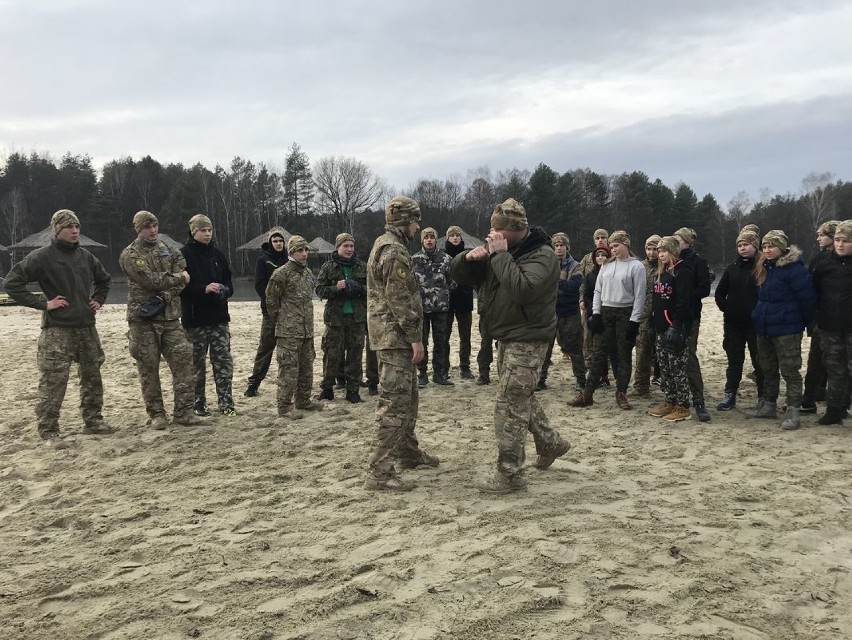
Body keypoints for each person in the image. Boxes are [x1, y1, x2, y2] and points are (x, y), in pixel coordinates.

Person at [451, 198, 570, 494]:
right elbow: (460, 277)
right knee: (520, 397)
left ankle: (511, 474)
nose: (493, 235)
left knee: (509, 405)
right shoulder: (502, 251)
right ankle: (551, 442)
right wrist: (468, 259)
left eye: (499, 231)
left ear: (517, 230)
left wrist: (500, 256)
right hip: (506, 335)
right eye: (492, 230)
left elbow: (524, 290)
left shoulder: (542, 256)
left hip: (529, 338)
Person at [5, 209, 113, 448]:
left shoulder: (86, 256)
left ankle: (93, 420)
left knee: (92, 376)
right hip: (57, 330)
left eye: (77, 227)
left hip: (86, 326)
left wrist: (99, 299)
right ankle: (49, 430)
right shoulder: (42, 257)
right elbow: (12, 283)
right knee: (53, 380)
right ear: (57, 230)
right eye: (69, 227)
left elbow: (104, 280)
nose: (75, 231)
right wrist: (43, 304)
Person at [364, 196, 440, 491]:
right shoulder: (393, 250)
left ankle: (408, 453)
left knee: (408, 399)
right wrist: (415, 338)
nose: (418, 226)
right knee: (394, 404)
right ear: (404, 221)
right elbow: (399, 299)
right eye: (414, 221)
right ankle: (379, 472)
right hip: (395, 338)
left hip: (392, 336)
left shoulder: (385, 244)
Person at [119, 210, 204, 431]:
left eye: (155, 225)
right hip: (144, 321)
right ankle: (156, 414)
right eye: (147, 227)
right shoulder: (130, 254)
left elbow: (184, 271)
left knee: (184, 361)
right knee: (149, 368)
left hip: (171, 318)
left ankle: (184, 412)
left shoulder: (168, 249)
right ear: (139, 229)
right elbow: (149, 280)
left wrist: (170, 288)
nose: (153, 230)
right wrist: (176, 279)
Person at [748, 230, 817, 429]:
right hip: (764, 327)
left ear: (782, 248)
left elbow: (808, 299)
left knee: (790, 370)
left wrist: (799, 322)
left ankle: (794, 410)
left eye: (772, 246)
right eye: (765, 247)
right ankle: (768, 404)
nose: (767, 250)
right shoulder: (764, 267)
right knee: (768, 368)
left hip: (787, 329)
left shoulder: (794, 269)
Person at [570, 231, 646, 410]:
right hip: (605, 311)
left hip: (625, 312)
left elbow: (640, 296)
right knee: (598, 354)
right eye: (611, 247)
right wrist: (596, 313)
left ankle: (621, 393)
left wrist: (634, 321)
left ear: (626, 245)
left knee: (622, 355)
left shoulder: (637, 267)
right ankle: (587, 393)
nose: (613, 249)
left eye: (616, 246)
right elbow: (597, 291)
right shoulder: (606, 266)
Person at [180, 214, 236, 417]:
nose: (207, 234)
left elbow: (230, 284)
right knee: (196, 364)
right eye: (202, 230)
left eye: (209, 230)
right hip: (195, 320)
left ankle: (226, 404)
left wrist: (224, 290)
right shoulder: (183, 255)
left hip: (219, 318)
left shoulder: (218, 255)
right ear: (193, 232)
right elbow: (180, 287)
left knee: (223, 362)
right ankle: (198, 404)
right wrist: (204, 289)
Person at [265, 235, 324, 415]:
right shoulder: (281, 274)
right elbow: (271, 301)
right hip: (288, 332)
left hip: (307, 331)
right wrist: (284, 321)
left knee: (307, 367)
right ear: (291, 252)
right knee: (289, 370)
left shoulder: (308, 274)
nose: (304, 254)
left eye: (306, 250)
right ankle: (284, 406)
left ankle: (303, 401)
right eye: (300, 250)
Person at [315, 233, 368, 404]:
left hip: (357, 318)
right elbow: (319, 290)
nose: (349, 249)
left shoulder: (362, 266)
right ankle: (327, 388)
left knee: (355, 355)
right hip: (335, 319)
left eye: (351, 246)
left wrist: (360, 289)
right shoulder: (328, 267)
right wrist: (336, 288)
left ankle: (353, 390)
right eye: (346, 246)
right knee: (332, 355)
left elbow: (374, 289)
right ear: (338, 247)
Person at [714, 230, 763, 410]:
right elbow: (719, 292)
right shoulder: (732, 268)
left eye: (746, 245)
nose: (743, 248)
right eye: (740, 245)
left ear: (755, 246)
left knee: (759, 361)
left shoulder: (762, 267)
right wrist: (726, 307)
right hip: (733, 324)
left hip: (756, 324)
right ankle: (730, 394)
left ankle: (763, 396)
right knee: (734, 361)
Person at [810, 219, 852, 425]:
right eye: (837, 240)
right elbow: (813, 291)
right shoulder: (823, 263)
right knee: (835, 368)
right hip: (829, 325)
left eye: (846, 241)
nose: (840, 244)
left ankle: (845, 404)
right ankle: (835, 410)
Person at [648, 236, 694, 422]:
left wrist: (676, 326)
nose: (661, 254)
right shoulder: (662, 273)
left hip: (676, 329)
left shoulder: (682, 272)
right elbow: (657, 301)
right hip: (660, 328)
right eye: (659, 251)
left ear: (673, 252)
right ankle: (670, 400)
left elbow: (684, 303)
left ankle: (683, 406)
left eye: (664, 251)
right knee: (665, 368)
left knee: (677, 369)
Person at [672, 227, 713, 422]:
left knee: (689, 357)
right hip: (669, 316)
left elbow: (704, 288)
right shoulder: (669, 262)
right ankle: (677, 398)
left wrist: (685, 296)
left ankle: (698, 400)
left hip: (690, 316)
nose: (675, 243)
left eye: (678, 240)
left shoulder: (697, 262)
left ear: (687, 242)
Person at [537, 232, 585, 391]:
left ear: (567, 247)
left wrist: (555, 284)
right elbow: (541, 284)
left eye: (561, 245)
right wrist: (562, 282)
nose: (558, 248)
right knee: (545, 348)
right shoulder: (546, 264)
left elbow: (574, 286)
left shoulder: (575, 265)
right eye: (556, 246)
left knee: (574, 347)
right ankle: (540, 380)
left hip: (570, 312)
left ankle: (580, 379)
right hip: (549, 312)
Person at [801, 220, 839, 414]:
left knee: (836, 363)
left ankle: (837, 401)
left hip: (839, 319)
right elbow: (810, 288)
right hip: (819, 317)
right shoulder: (818, 259)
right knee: (815, 360)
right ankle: (810, 398)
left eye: (822, 234)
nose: (818, 238)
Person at [244, 227, 288, 397]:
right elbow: (260, 286)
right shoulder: (263, 261)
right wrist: (273, 301)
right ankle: (254, 383)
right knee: (265, 349)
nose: (278, 244)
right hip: (270, 312)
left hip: (289, 312)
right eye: (275, 241)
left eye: (281, 241)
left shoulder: (289, 260)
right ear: (270, 242)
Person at [412, 227, 453, 387]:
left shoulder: (446, 259)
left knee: (441, 341)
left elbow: (452, 281)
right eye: (426, 237)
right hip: (421, 308)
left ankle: (439, 374)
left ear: (436, 240)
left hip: (440, 308)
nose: (429, 240)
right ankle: (422, 374)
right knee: (422, 342)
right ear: (422, 240)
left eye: (432, 237)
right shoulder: (413, 259)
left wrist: (440, 293)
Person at [443, 226, 474, 380]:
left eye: (457, 235)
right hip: (446, 302)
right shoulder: (441, 256)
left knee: (466, 337)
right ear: (447, 238)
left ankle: (465, 367)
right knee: (444, 337)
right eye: (452, 235)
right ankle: (444, 368)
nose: (455, 238)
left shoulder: (468, 255)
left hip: (465, 300)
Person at [631, 234, 661, 397]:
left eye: (655, 249)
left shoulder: (666, 266)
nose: (651, 253)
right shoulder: (639, 267)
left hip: (662, 316)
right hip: (643, 316)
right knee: (642, 352)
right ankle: (641, 387)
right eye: (648, 249)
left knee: (663, 353)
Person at [578, 229, 610, 369]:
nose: (600, 240)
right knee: (587, 334)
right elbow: (581, 280)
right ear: (594, 240)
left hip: (607, 303)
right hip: (589, 301)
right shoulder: (587, 259)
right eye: (597, 237)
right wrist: (581, 299)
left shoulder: (612, 257)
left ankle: (606, 361)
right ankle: (589, 360)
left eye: (603, 237)